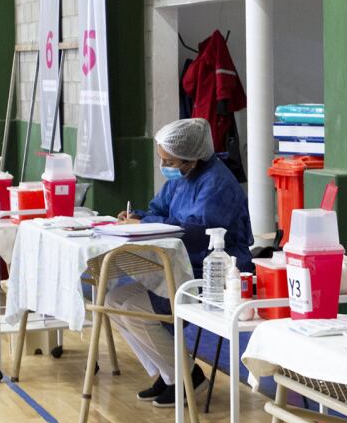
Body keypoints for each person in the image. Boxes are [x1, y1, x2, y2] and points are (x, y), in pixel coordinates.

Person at [108, 118, 253, 407]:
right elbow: (158, 209)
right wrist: (135, 215)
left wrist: (146, 222)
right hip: (180, 265)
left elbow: (195, 232)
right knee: (113, 299)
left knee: (136, 309)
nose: (166, 166)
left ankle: (189, 378)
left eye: (169, 160)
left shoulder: (217, 184)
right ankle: (169, 372)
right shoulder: (183, 177)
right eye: (163, 160)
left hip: (210, 272)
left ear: (192, 158)